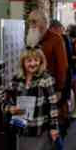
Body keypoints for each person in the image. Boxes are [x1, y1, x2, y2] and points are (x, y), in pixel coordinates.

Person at [3, 48, 60, 150]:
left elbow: (53, 106)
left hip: (39, 129)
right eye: (29, 60)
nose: (33, 63)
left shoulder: (46, 79)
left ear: (41, 61)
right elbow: (5, 101)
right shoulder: (16, 79)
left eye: (36, 60)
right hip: (21, 129)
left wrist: (54, 127)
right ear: (23, 62)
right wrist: (9, 108)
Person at [27, 10, 69, 138]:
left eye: (35, 21)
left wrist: (59, 89)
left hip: (52, 88)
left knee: (55, 124)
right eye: (30, 22)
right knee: (40, 123)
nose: (31, 25)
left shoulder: (56, 39)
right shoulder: (30, 38)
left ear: (45, 23)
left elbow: (63, 66)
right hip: (35, 89)